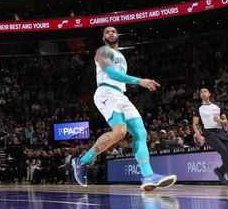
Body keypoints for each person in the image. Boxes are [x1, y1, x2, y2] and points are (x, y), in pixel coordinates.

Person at [72, 26, 176, 191]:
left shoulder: (121, 56)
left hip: (120, 95)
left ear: (118, 35)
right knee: (120, 132)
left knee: (140, 133)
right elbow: (112, 74)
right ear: (103, 37)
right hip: (106, 92)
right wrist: (139, 81)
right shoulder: (103, 51)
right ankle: (82, 161)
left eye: (114, 31)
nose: (111, 33)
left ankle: (148, 176)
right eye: (107, 32)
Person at [193, 88, 228, 186]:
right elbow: (195, 124)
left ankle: (220, 171)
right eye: (201, 92)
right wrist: (199, 136)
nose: (203, 93)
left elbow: (226, 121)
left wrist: (220, 121)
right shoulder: (198, 107)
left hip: (220, 132)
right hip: (209, 133)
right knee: (224, 152)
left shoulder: (217, 106)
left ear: (209, 94)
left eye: (205, 91)